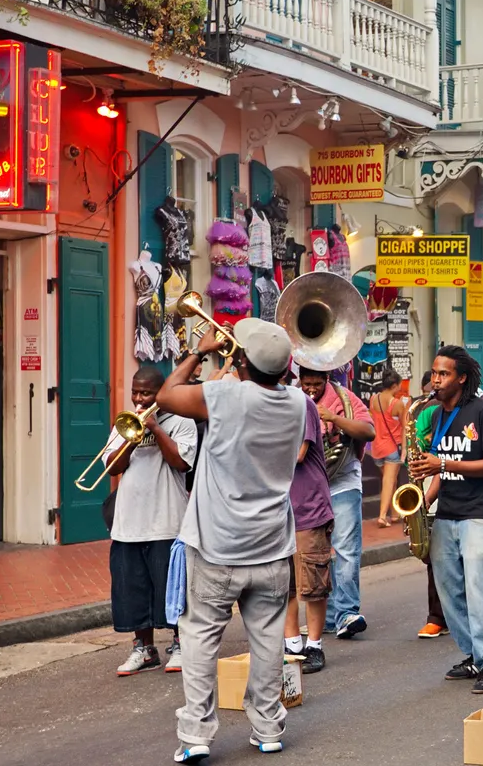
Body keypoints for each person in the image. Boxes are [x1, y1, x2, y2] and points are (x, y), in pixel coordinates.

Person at [158, 320, 306, 762]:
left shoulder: (226, 395)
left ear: (241, 361)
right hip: (273, 546)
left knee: (201, 639)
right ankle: (268, 729)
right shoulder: (299, 402)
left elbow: (167, 395)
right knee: (267, 642)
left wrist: (199, 352)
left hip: (218, 545)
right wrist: (236, 365)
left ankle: (197, 736)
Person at [408, 347, 483, 694]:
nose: (435, 380)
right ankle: (473, 654)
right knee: (449, 590)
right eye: (434, 373)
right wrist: (420, 503)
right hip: (446, 514)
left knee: (480, 588)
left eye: (443, 374)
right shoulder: (437, 416)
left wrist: (443, 466)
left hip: (479, 515)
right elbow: (441, 469)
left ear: (461, 378)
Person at [104, 367, 196, 677]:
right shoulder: (124, 423)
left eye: (146, 393)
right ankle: (143, 649)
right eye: (136, 392)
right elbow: (113, 468)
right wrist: (132, 437)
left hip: (167, 520)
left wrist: (156, 430)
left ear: (161, 393)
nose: (140, 399)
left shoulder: (182, 421)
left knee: (172, 589)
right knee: (132, 589)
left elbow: (181, 462)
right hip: (129, 521)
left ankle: (181, 643)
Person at [298, 367, 375, 641]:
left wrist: (333, 418)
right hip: (309, 486)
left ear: (326, 380)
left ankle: (347, 613)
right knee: (317, 552)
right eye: (306, 383)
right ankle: (328, 616)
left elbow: (368, 432)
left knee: (345, 548)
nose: (310, 389)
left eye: (316, 384)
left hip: (342, 480)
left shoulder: (344, 399)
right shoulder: (294, 400)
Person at [282, 376, 335, 675]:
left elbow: (299, 454)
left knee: (313, 584)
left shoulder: (298, 402)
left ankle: (314, 645)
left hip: (308, 506)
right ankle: (292, 643)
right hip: (277, 510)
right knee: (284, 584)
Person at [369, 369, 406, 528]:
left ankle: (395, 514)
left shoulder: (373, 399)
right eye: (399, 385)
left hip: (376, 448)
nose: (400, 388)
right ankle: (383, 516)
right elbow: (405, 427)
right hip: (392, 447)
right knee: (389, 482)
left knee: (390, 481)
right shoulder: (397, 404)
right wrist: (404, 450)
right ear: (394, 385)